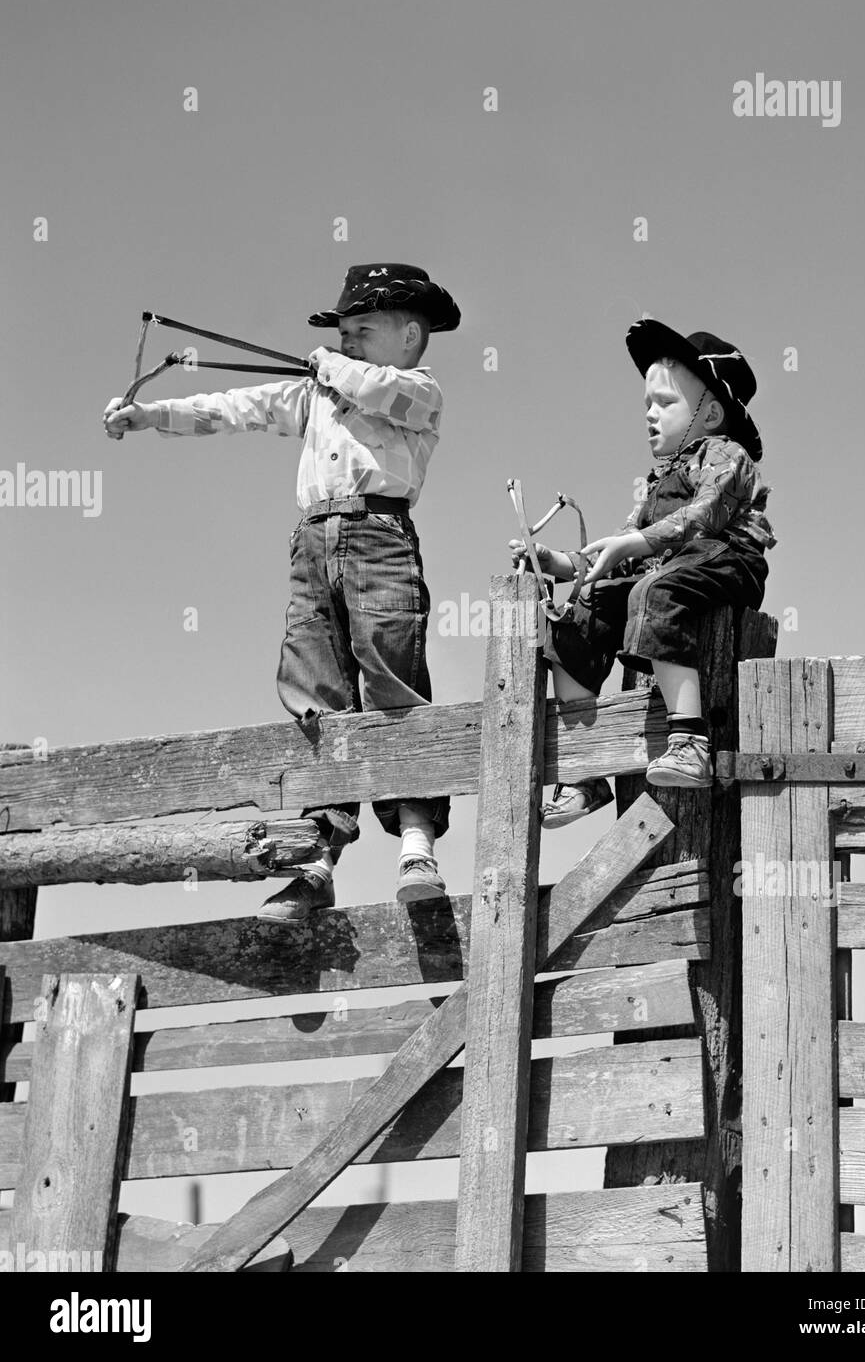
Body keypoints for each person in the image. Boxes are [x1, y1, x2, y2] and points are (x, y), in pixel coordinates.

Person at [103, 263, 460, 919]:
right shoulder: (317, 391)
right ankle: (317, 857)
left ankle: (416, 845)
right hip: (312, 543)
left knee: (393, 684)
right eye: (341, 332)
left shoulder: (418, 391)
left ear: (409, 337)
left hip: (379, 536)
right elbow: (236, 407)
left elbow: (377, 392)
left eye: (362, 330)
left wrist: (329, 363)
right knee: (316, 692)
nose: (346, 342)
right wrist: (152, 414)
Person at [511, 319, 776, 826]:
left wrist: (637, 542)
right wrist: (562, 565)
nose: (650, 414)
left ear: (711, 411)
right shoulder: (658, 481)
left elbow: (706, 514)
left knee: (656, 589)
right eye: (646, 405)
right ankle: (584, 770)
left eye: (665, 403)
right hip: (672, 562)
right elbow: (626, 548)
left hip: (729, 556)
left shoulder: (726, 454)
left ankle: (690, 740)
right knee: (584, 608)